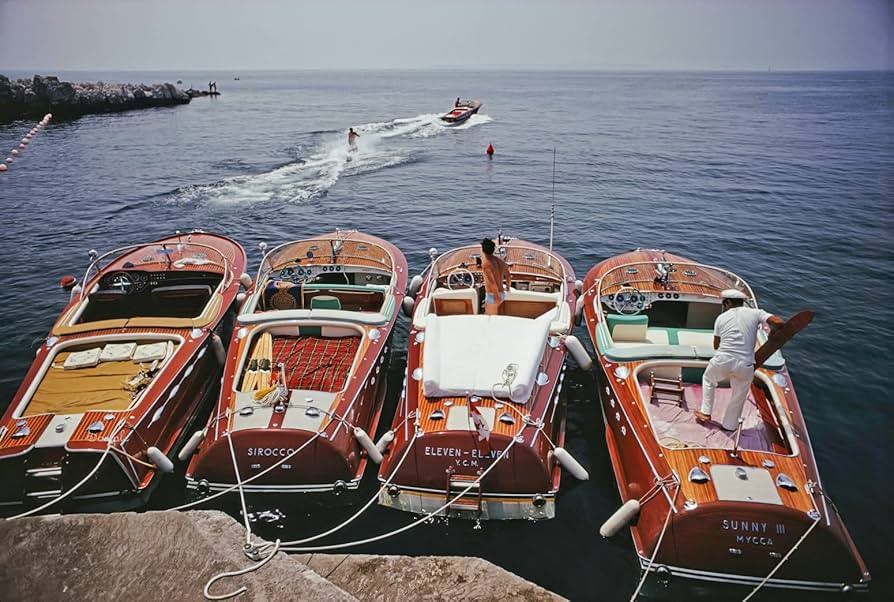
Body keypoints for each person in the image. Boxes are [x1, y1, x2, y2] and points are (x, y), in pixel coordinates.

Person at [695, 289, 784, 431]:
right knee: (739, 395)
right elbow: (779, 322)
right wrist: (773, 331)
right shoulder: (756, 313)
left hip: (723, 359)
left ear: (728, 302)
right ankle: (729, 426)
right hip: (746, 364)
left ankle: (706, 412)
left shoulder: (721, 318)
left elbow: (716, 345)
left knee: (708, 379)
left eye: (724, 303)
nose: (723, 305)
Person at [480, 238, 511, 315]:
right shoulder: (499, 260)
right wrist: (507, 287)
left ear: (483, 250)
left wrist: (497, 298)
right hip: (501, 293)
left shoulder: (486, 265)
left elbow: (492, 283)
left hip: (493, 295)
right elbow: (508, 275)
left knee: (490, 318)